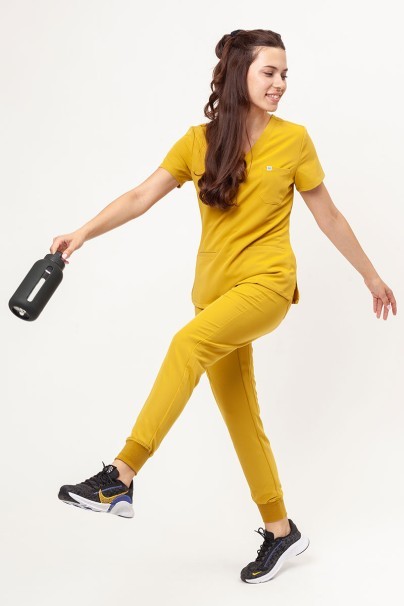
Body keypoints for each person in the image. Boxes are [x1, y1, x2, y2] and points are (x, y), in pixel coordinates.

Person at [50, 29, 397, 584]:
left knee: (186, 344)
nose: (281, 83)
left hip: (267, 287)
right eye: (269, 72)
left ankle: (121, 474)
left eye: (285, 74)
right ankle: (281, 530)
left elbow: (328, 215)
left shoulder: (295, 140)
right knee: (241, 416)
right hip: (213, 297)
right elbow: (140, 196)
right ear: (240, 74)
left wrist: (371, 276)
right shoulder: (199, 142)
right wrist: (83, 232)